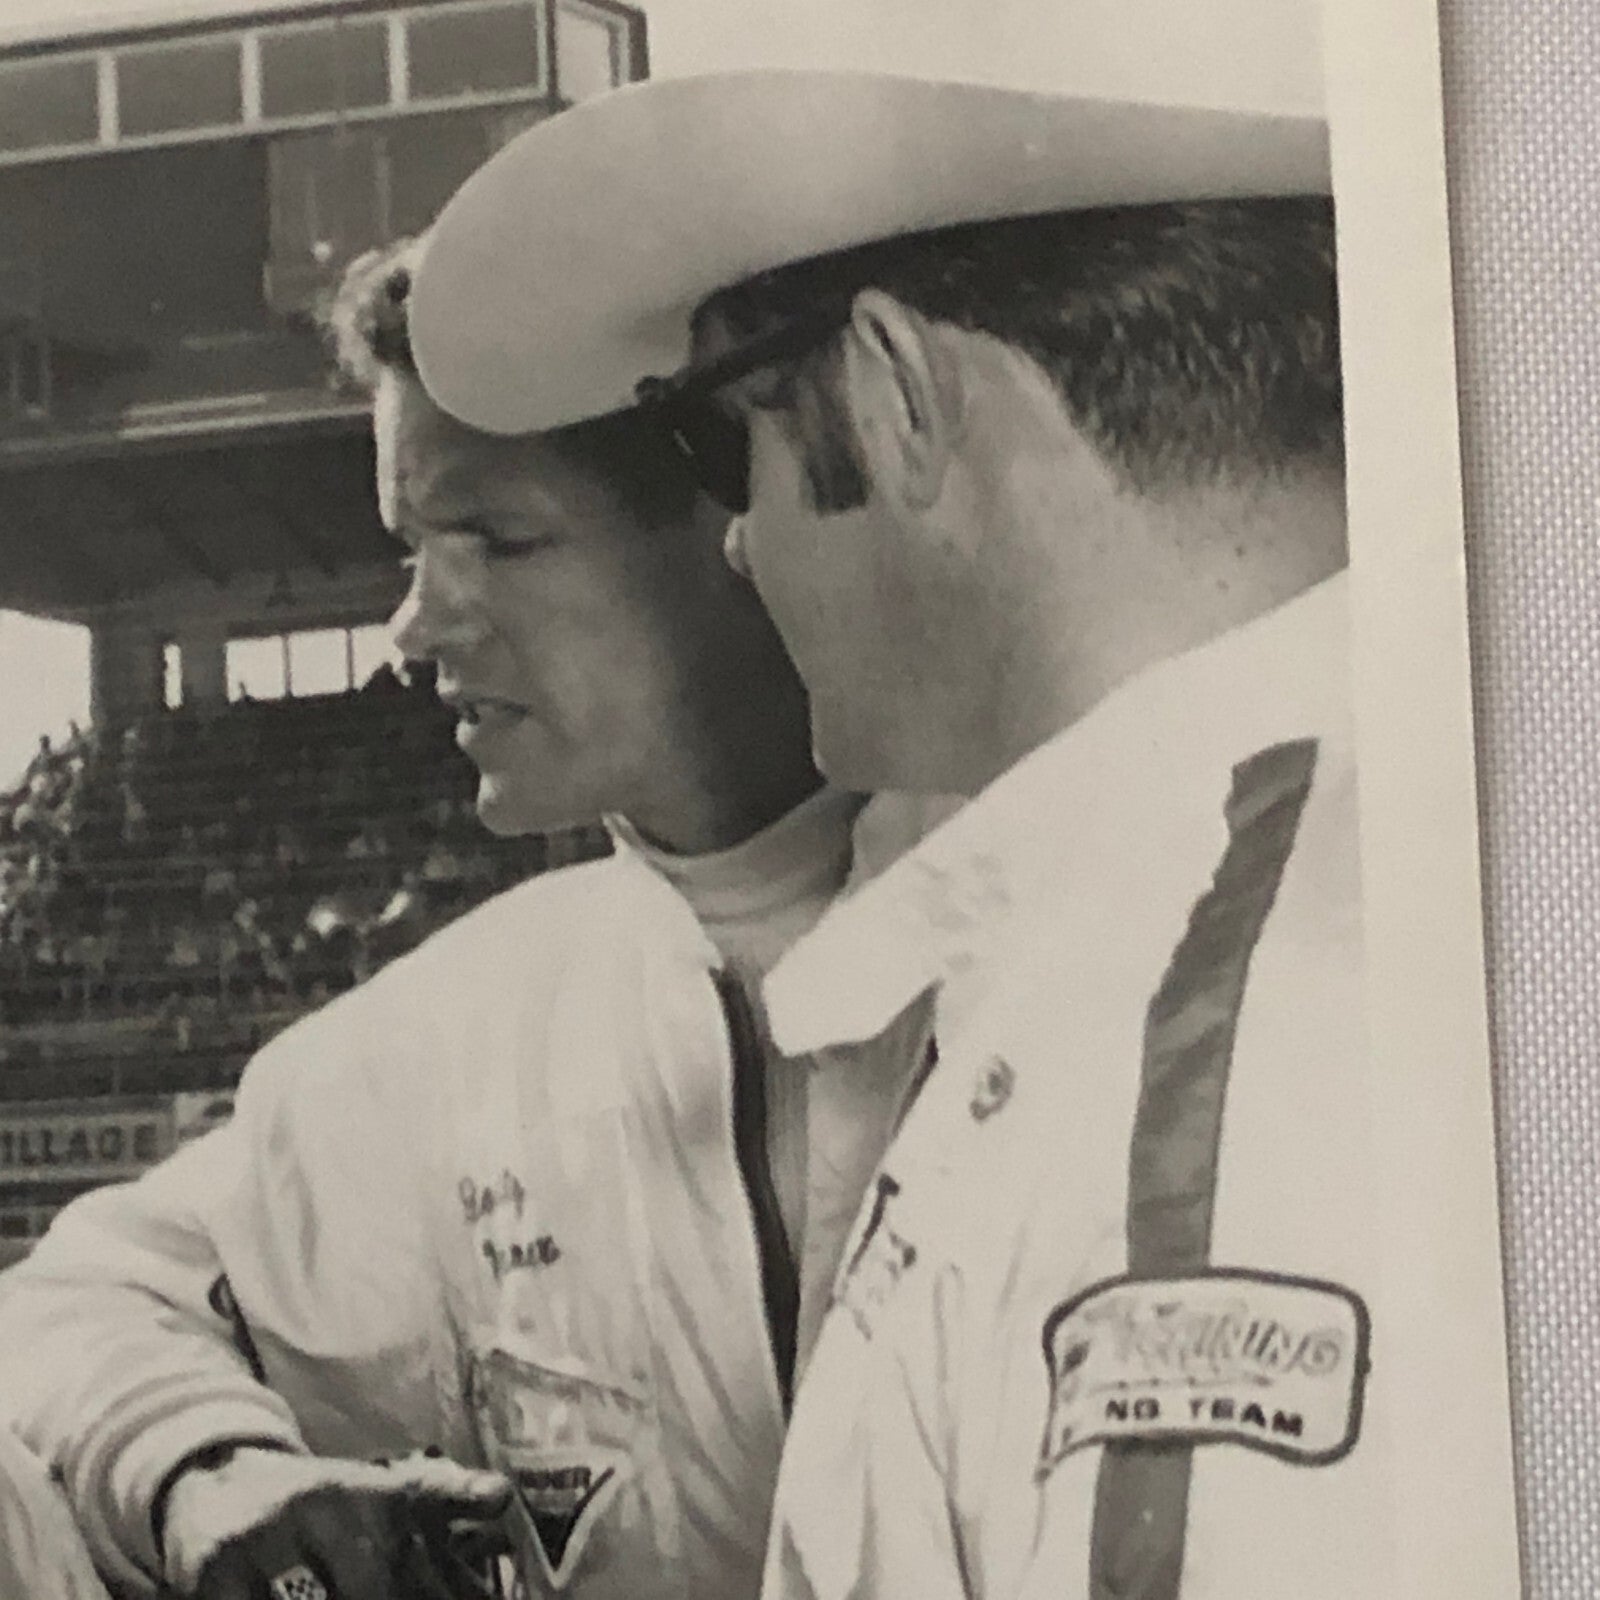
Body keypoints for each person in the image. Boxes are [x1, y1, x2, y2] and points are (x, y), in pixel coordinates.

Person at [409, 70, 1394, 1599]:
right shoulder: (1224, 909)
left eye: (721, 443)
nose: (738, 536)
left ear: (895, 394)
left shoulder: (1217, 1032)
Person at [0, 238, 940, 1600]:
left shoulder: (1051, 921)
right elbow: (66, 1304)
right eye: (411, 549)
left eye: (498, 539)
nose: (414, 626)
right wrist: (208, 1463)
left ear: (749, 515)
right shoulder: (460, 1029)